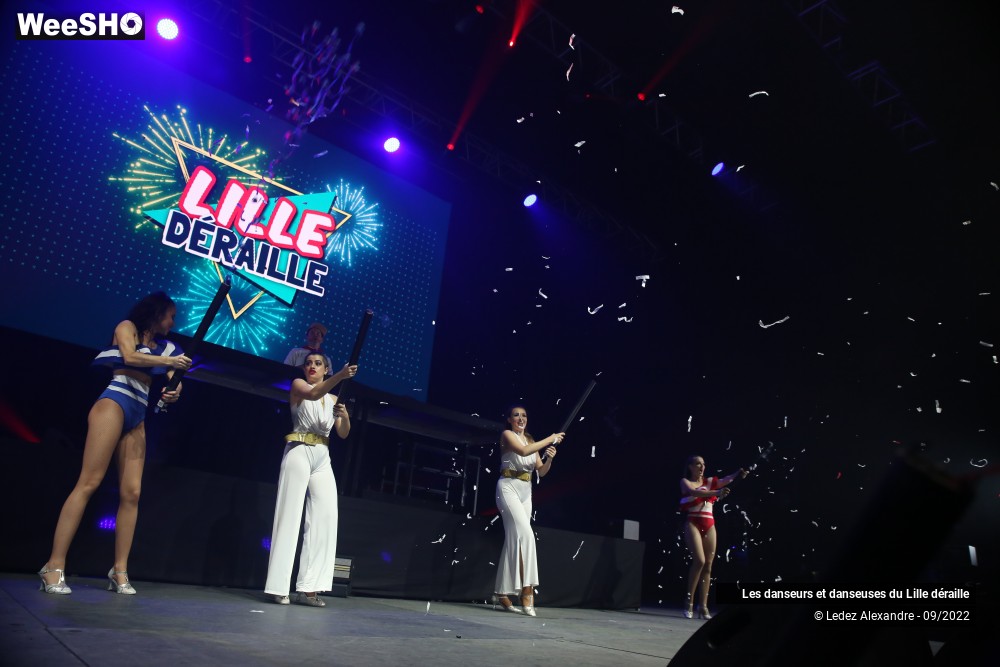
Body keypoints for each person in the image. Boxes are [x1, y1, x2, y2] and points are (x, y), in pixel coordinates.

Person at [38, 292, 191, 595]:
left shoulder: (167, 347)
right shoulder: (127, 327)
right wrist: (168, 361)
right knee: (89, 481)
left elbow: (174, 374)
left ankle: (119, 570)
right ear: (157, 313)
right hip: (115, 400)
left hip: (140, 410)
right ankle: (53, 566)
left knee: (131, 493)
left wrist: (176, 389)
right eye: (170, 315)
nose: (173, 322)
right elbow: (131, 356)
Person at [264, 352, 357, 606]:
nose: (311, 367)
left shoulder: (335, 398)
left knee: (324, 519)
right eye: (308, 364)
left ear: (325, 368)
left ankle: (309, 588)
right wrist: (341, 375)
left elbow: (343, 433)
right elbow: (314, 394)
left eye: (317, 363)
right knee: (290, 516)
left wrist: (345, 416)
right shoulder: (299, 385)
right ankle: (278, 587)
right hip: (299, 448)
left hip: (322, 455)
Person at [492, 404, 564, 617]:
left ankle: (501, 593)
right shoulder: (507, 435)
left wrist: (550, 457)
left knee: (514, 539)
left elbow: (541, 471)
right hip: (508, 487)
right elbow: (523, 452)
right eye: (516, 415)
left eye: (524, 415)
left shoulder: (532, 441)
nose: (521, 419)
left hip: (526, 491)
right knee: (527, 536)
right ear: (509, 419)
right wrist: (550, 438)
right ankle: (527, 591)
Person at [679, 455, 748, 619]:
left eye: (703, 464)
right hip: (693, 522)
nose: (702, 467)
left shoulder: (709, 482)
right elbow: (693, 492)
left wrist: (738, 473)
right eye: (698, 464)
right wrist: (717, 492)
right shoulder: (685, 482)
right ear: (690, 467)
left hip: (709, 523)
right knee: (700, 561)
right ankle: (688, 603)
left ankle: (703, 607)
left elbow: (726, 479)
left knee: (708, 565)